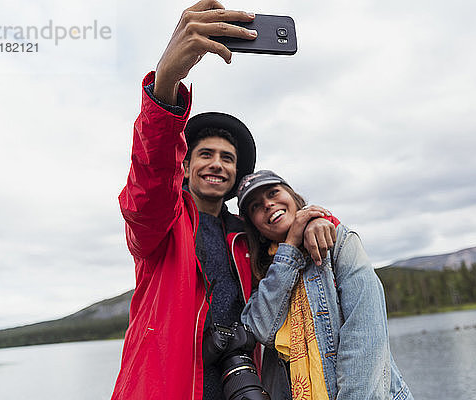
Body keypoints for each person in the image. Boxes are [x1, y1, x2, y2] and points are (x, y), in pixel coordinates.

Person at [111, 1, 336, 399]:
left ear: (236, 174)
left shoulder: (247, 233)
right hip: (169, 387)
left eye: (227, 158)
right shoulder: (160, 226)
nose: (217, 164)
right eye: (205, 155)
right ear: (183, 166)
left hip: (246, 385)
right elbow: (147, 185)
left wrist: (321, 220)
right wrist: (165, 88)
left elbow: (288, 228)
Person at [237, 170, 414, 400]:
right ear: (256, 228)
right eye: (255, 207)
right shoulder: (264, 273)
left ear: (293, 198)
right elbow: (260, 329)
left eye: (273, 193)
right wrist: (290, 246)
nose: (268, 204)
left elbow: (365, 336)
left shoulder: (338, 240)